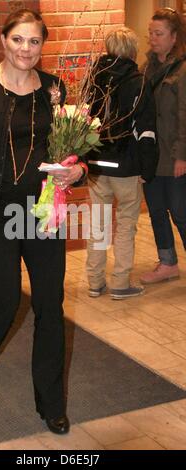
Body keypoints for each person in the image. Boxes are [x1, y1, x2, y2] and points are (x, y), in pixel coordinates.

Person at [0, 9, 85, 435]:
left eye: (34, 42)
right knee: (6, 302)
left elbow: (77, 150)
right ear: (3, 39)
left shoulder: (56, 91)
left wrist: (77, 171)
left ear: (43, 45)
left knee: (49, 306)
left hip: (44, 212)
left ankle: (51, 403)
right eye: (18, 40)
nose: (26, 49)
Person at [86, 27, 158, 300]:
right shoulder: (138, 82)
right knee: (126, 224)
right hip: (126, 166)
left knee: (99, 223)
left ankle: (94, 281)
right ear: (131, 50)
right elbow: (146, 130)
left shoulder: (94, 79)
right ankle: (119, 282)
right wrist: (146, 169)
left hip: (96, 163)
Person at [140, 8, 186, 285]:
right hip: (151, 157)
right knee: (156, 209)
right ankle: (167, 262)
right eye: (151, 33)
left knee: (181, 213)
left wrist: (182, 155)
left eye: (158, 34)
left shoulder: (182, 70)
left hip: (174, 155)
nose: (153, 39)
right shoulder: (145, 68)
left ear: (174, 37)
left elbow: (185, 116)